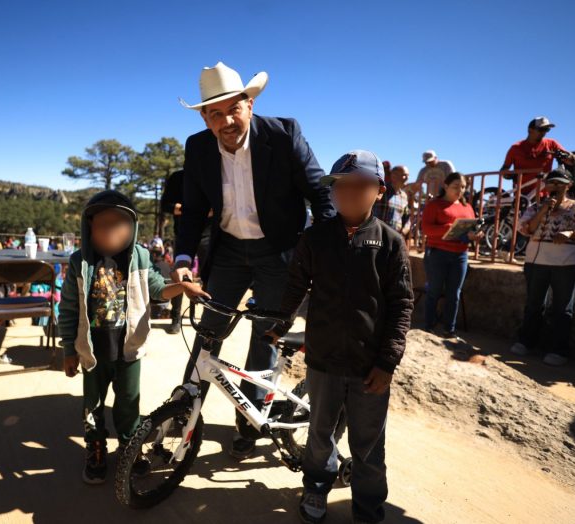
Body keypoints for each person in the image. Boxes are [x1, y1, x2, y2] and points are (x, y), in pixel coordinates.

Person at [172, 62, 334, 459]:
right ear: (204, 118)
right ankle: (184, 412)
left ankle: (249, 420)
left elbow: (320, 193)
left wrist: (325, 250)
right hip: (228, 251)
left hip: (278, 253)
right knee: (208, 332)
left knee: (266, 337)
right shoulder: (197, 147)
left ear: (250, 104)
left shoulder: (283, 134)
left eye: (234, 109)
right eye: (215, 114)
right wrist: (183, 257)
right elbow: (192, 211)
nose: (227, 121)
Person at [267, 150, 414, 524]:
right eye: (341, 185)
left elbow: (401, 305)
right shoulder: (315, 238)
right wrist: (280, 324)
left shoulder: (391, 242)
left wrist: (387, 362)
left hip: (370, 367)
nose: (349, 192)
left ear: (379, 191)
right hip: (323, 361)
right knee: (320, 434)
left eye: (360, 185)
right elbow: (296, 286)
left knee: (369, 444)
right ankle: (316, 488)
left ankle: (367, 507)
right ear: (331, 191)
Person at [58, 189, 208, 485]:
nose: (111, 230)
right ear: (89, 227)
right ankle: (95, 447)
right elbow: (68, 309)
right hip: (92, 351)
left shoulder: (140, 257)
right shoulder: (79, 262)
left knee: (129, 404)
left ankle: (130, 446)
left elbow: (157, 288)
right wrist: (68, 350)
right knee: (93, 405)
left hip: (128, 348)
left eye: (120, 223)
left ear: (133, 227)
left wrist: (181, 288)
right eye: (103, 224)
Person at [510, 168, 575, 366]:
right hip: (536, 262)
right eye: (551, 183)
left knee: (562, 309)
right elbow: (526, 229)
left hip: (566, 264)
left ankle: (558, 350)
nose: (554, 187)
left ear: (568, 185)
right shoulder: (535, 207)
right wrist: (543, 210)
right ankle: (526, 341)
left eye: (559, 183)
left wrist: (570, 234)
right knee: (533, 304)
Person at [422, 172, 483, 339]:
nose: (460, 190)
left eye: (463, 187)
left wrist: (476, 235)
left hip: (460, 254)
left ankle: (449, 329)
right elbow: (426, 229)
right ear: (446, 186)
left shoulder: (467, 207)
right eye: (456, 186)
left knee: (454, 293)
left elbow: (471, 229)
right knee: (434, 291)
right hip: (437, 253)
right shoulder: (434, 205)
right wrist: (450, 228)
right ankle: (428, 326)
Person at [160, 169, 212, 334]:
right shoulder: (177, 177)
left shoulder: (212, 174)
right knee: (180, 276)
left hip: (208, 234)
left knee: (209, 277)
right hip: (183, 235)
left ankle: (208, 318)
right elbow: (166, 204)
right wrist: (193, 211)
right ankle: (176, 318)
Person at [501, 116, 566, 195]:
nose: (544, 133)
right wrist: (508, 175)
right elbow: (504, 169)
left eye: (547, 129)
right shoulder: (516, 148)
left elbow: (567, 156)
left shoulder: (552, 144)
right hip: (522, 195)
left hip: (545, 193)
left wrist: (571, 157)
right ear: (530, 130)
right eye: (541, 129)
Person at [372, 165, 410, 237]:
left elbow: (407, 218)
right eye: (404, 175)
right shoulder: (380, 190)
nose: (407, 178)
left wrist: (403, 232)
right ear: (393, 176)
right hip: (374, 236)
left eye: (408, 175)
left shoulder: (404, 196)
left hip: (393, 238)